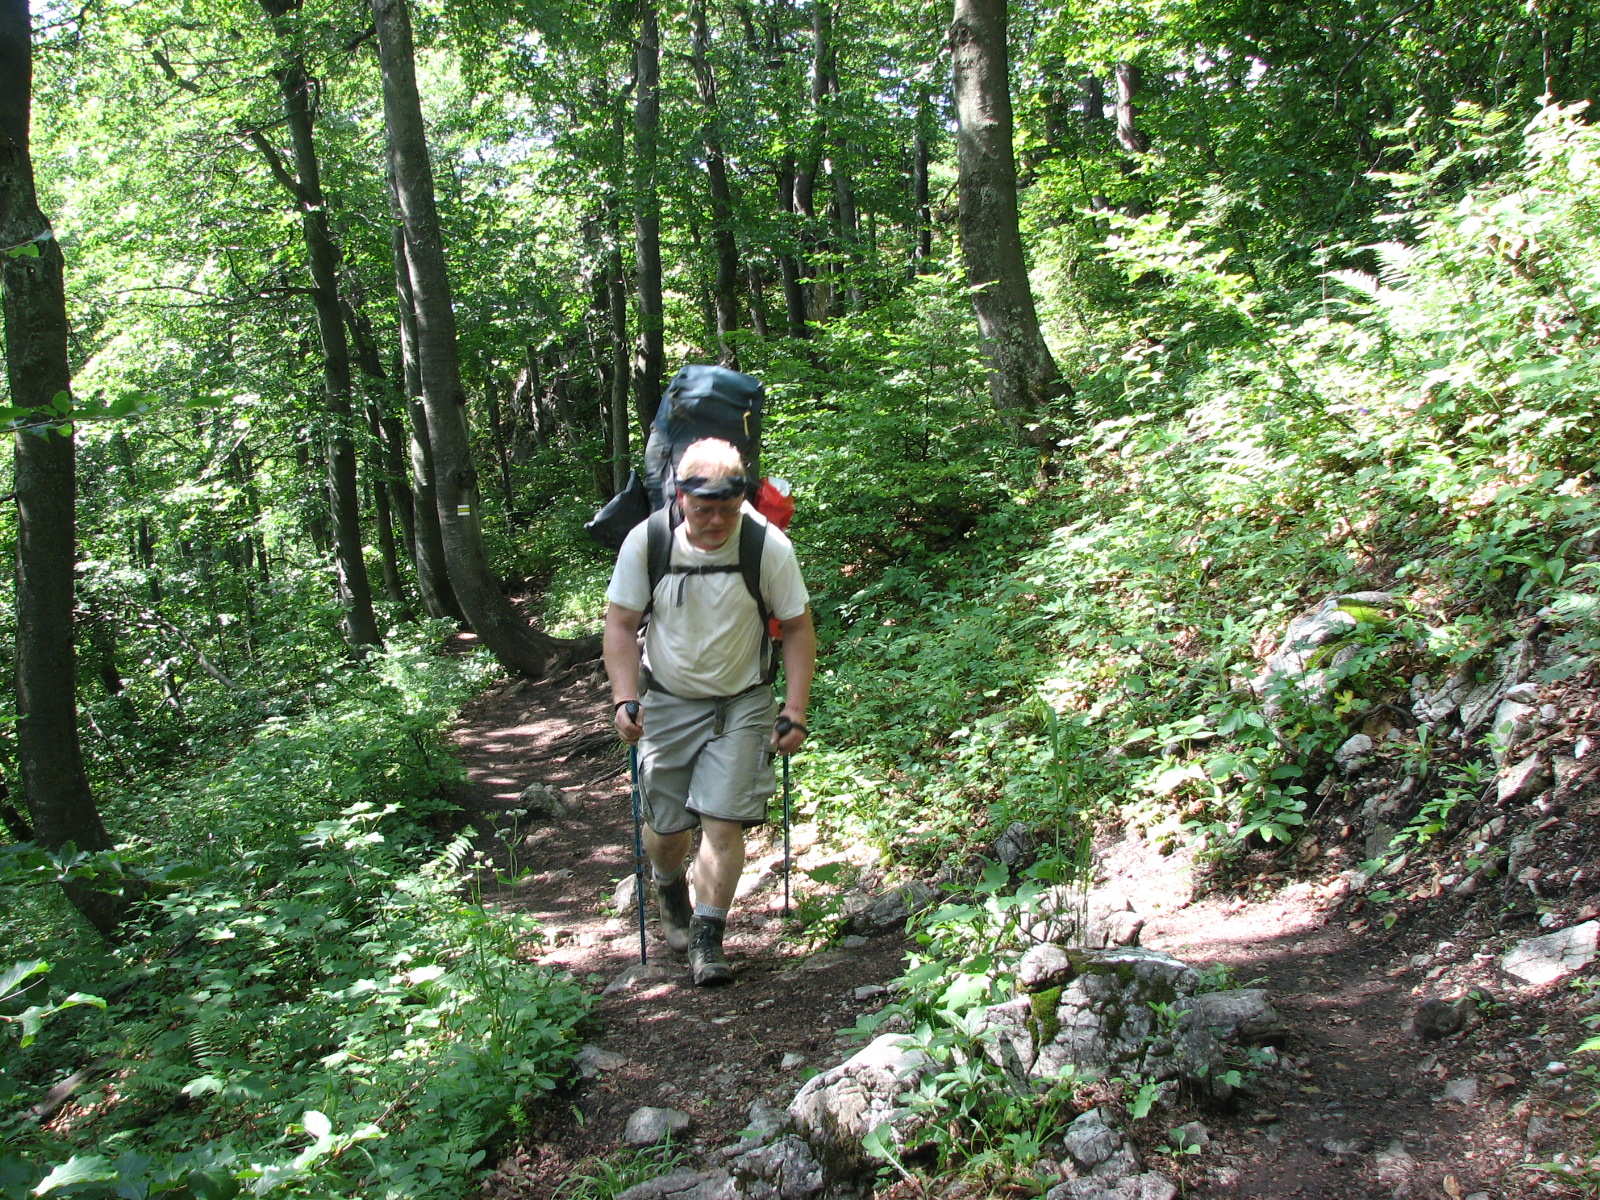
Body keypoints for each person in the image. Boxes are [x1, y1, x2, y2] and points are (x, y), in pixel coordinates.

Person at [603, 437, 815, 986]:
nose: (717, 520)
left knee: (723, 820)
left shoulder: (767, 546)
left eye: (728, 507)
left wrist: (794, 708)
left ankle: (707, 938)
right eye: (704, 509)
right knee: (667, 828)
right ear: (680, 497)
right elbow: (620, 625)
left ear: (742, 497)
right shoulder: (648, 541)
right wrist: (624, 698)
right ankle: (668, 883)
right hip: (667, 703)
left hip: (742, 703)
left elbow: (797, 628)